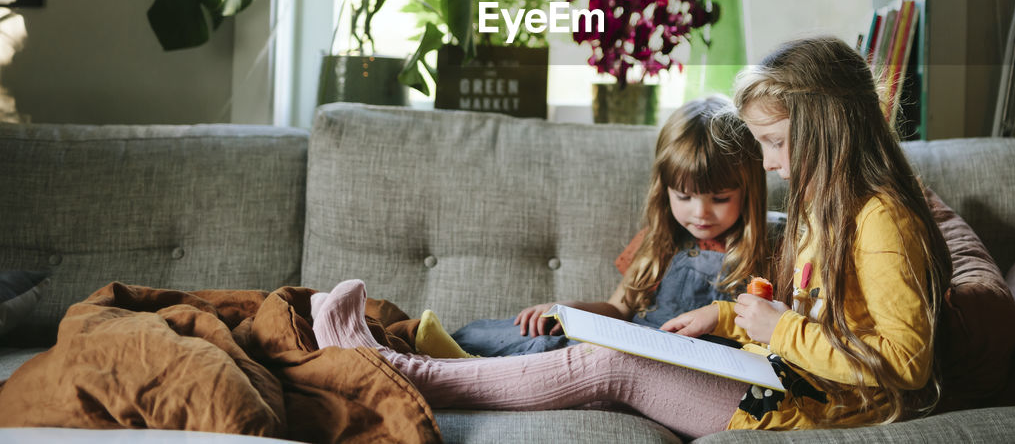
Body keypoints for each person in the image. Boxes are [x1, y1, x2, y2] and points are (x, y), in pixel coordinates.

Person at [311, 36, 952, 438]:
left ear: (828, 132)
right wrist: (726, 315)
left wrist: (777, 326)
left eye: (777, 144)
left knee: (614, 365)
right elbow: (808, 320)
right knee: (602, 344)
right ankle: (409, 360)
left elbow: (905, 363)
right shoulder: (828, 209)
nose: (772, 163)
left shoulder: (882, 220)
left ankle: (403, 371)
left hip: (819, 405)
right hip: (783, 376)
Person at [442, 94, 778, 357]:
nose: (701, 213)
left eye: (719, 199)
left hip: (693, 365)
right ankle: (419, 340)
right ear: (665, 191)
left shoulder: (769, 246)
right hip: (634, 343)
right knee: (533, 337)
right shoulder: (661, 240)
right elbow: (619, 308)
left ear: (749, 191)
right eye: (684, 196)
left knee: (559, 354)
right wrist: (568, 311)